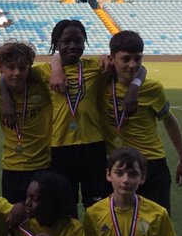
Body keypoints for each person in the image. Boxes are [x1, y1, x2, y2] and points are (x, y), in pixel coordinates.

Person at [40, 19, 145, 211]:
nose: (73, 46)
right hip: (60, 147)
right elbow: (6, 77)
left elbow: (140, 67)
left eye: (78, 41)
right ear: (56, 44)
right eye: (66, 41)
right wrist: (55, 67)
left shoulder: (97, 67)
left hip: (93, 147)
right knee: (64, 205)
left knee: (97, 205)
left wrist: (134, 89)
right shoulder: (43, 72)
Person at [100, 31, 182, 213]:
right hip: (118, 166)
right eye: (125, 59)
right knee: (118, 222)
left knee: (157, 222)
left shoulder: (153, 89)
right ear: (112, 59)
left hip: (151, 164)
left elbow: (169, 121)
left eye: (137, 59)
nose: (132, 65)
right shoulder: (99, 84)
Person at [0, 41, 54, 206]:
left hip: (42, 165)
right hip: (12, 167)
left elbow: (56, 60)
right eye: (11, 68)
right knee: (14, 219)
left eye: (22, 68)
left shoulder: (42, 88)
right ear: (0, 68)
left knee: (42, 217)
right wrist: (5, 97)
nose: (17, 73)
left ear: (30, 67)